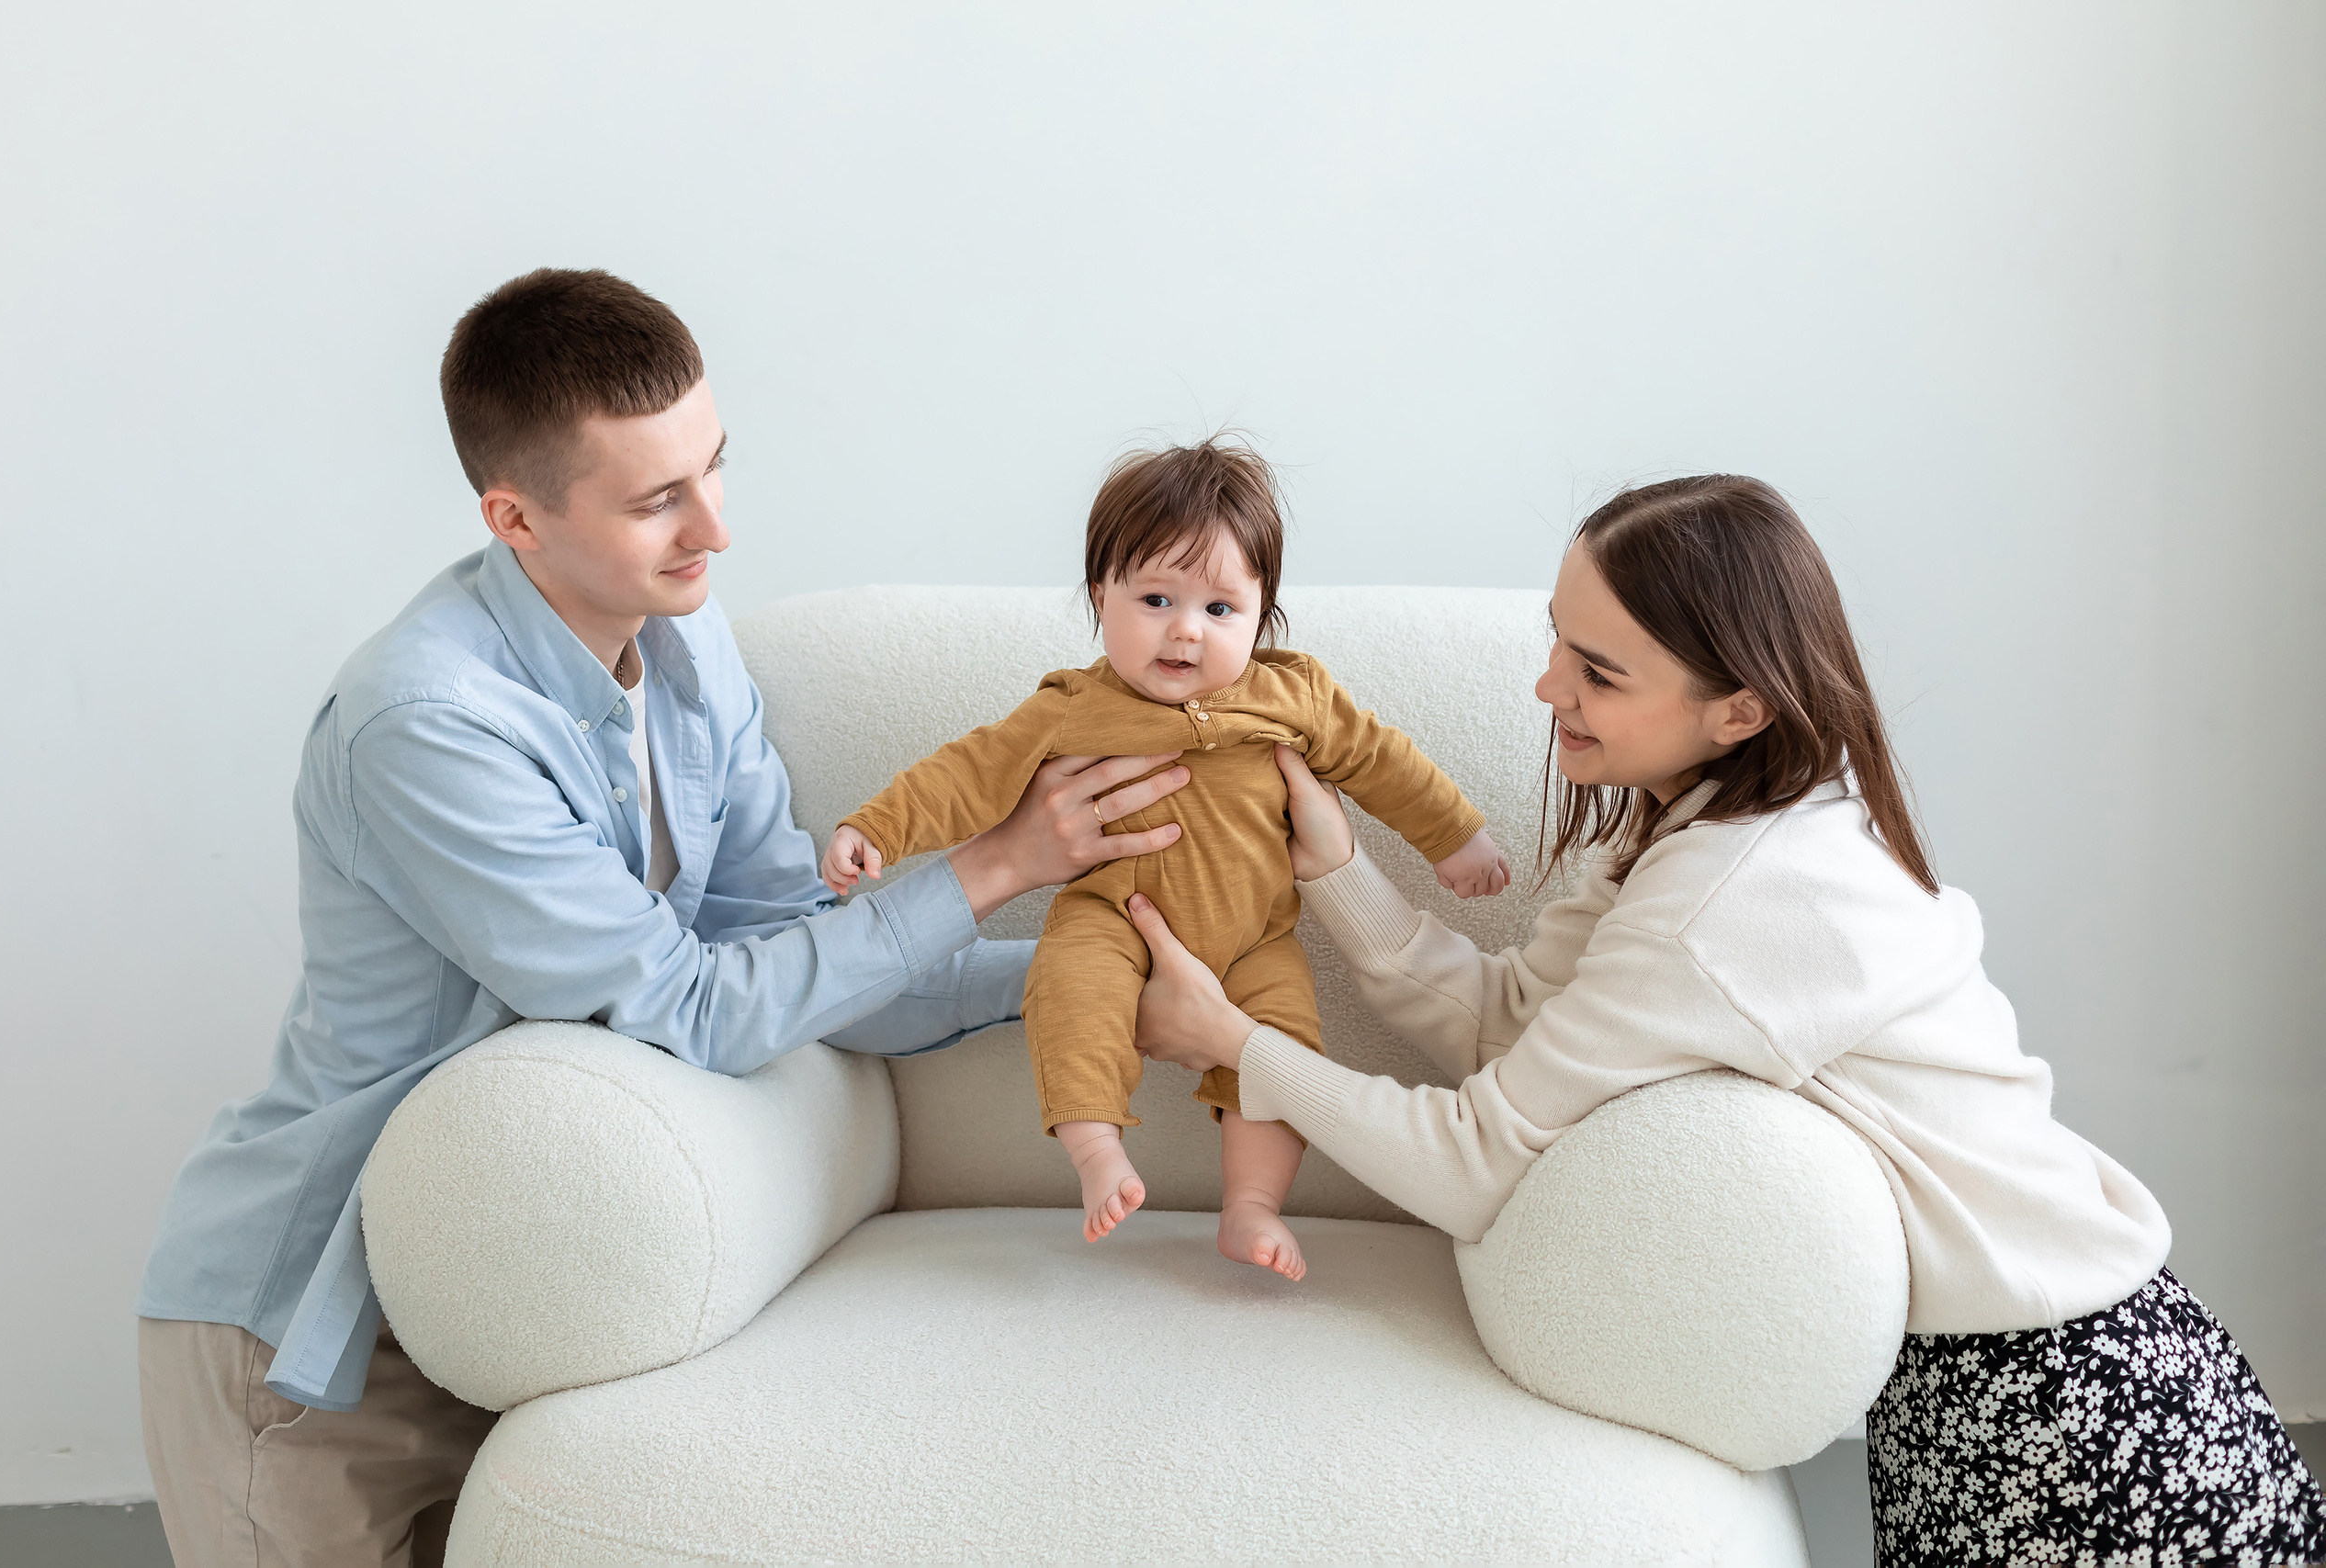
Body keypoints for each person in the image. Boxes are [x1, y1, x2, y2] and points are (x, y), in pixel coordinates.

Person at [131, 267, 1192, 1568]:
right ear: (513, 516)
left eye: (713, 470)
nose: (714, 529)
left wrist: (1084, 979)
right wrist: (996, 860)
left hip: (533, 1289)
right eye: (655, 500)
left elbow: (796, 953)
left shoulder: (689, 650)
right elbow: (694, 1006)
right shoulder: (428, 723)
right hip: (320, 1341)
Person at [1127, 474, 2326, 1566]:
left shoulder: (1733, 899)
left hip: (2065, 1401)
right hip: (2029, 1367)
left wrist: (1237, 1045)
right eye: (1558, 638)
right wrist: (1335, 868)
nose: (1549, 685)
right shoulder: (1686, 825)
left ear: (1740, 708)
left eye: (1599, 669)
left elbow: (1478, 1161)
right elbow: (1511, 1031)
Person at [825, 439, 1509, 1280]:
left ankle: (1251, 1205)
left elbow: (1381, 760)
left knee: (1284, 1049)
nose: (1186, 629)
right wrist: (879, 828)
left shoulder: (1291, 696)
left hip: (1258, 937)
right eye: (1156, 598)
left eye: (1220, 608)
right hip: (1110, 918)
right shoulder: (1071, 708)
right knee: (1068, 988)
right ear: (1099, 597)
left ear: (1264, 613)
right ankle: (1097, 1153)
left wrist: (1456, 836)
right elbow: (968, 773)